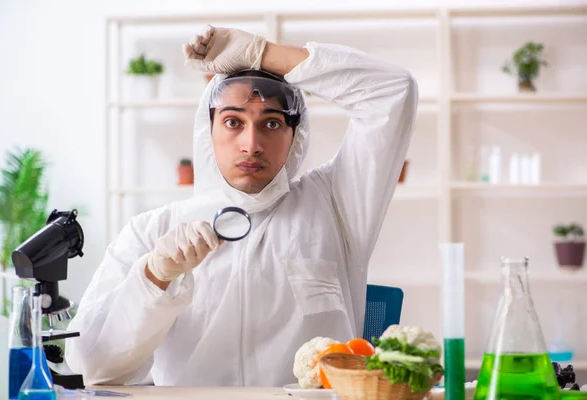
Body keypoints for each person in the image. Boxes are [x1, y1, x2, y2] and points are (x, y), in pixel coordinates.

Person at [65, 24, 417, 387]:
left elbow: (392, 91)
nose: (252, 144)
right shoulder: (151, 232)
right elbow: (91, 368)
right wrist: (155, 276)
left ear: (295, 136)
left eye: (272, 123)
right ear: (209, 129)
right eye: (233, 122)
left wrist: (261, 53)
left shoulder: (336, 203)